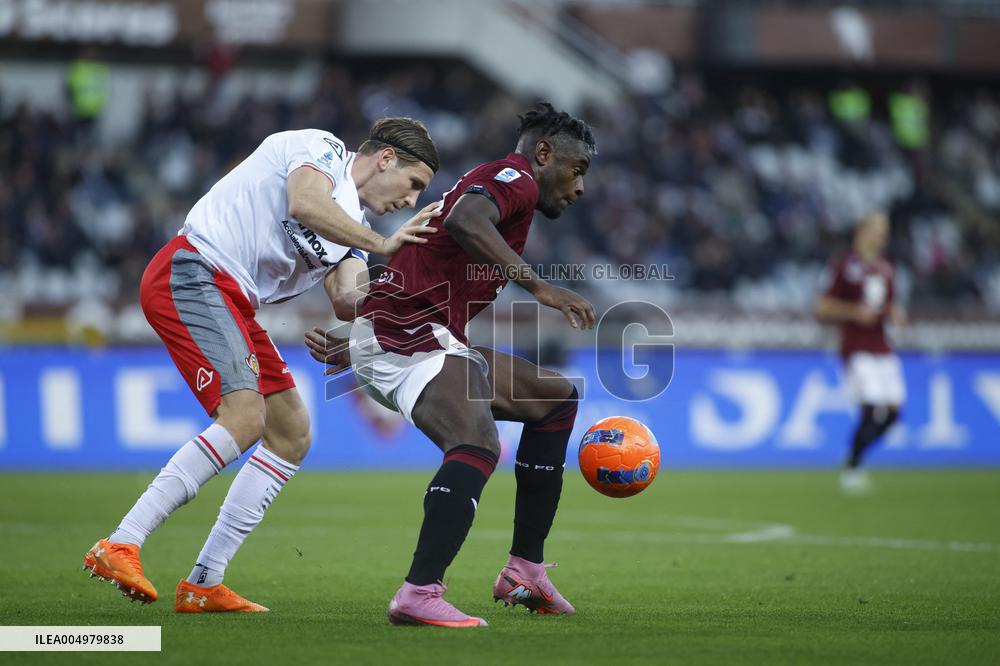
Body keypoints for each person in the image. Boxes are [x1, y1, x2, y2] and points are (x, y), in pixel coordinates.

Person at [83, 118, 441, 612]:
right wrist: (384, 245)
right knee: (245, 418)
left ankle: (204, 582)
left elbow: (347, 298)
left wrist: (417, 290)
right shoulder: (322, 149)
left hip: (233, 300)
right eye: (414, 184)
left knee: (291, 432)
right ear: (384, 159)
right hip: (193, 271)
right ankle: (121, 541)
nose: (411, 201)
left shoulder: (354, 236)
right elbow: (305, 204)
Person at [307, 102, 597, 627]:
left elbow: (425, 257)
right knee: (478, 442)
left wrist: (364, 338)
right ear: (545, 154)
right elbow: (465, 221)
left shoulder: (502, 187)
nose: (578, 188)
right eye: (577, 171)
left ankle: (524, 571)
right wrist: (537, 286)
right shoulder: (516, 179)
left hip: (417, 331)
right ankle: (419, 592)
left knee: (555, 400)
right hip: (411, 332)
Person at [815, 212, 907, 495]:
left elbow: (888, 303)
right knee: (870, 405)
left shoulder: (887, 268)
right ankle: (853, 469)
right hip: (856, 347)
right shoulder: (845, 265)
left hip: (883, 346)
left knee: (894, 411)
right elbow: (822, 307)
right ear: (861, 231)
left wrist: (894, 312)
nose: (881, 236)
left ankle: (855, 460)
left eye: (884, 231)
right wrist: (853, 312)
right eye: (876, 230)